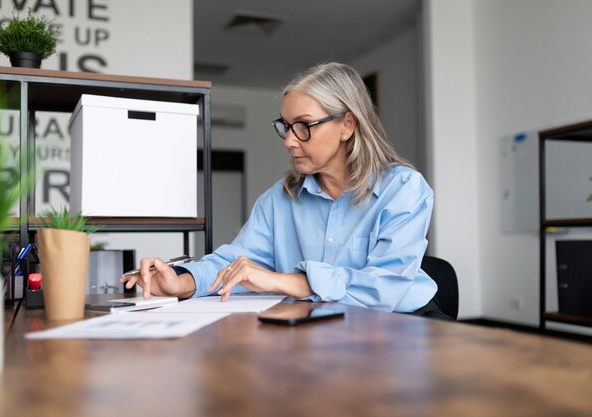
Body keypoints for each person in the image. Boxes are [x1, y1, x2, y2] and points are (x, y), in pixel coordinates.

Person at [121, 62, 450, 319]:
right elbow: (235, 261)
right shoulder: (280, 199)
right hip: (320, 322)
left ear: (347, 125)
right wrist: (181, 281)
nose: (290, 141)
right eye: (286, 126)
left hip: (405, 322)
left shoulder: (404, 189)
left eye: (304, 126)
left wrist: (280, 280)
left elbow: (383, 289)